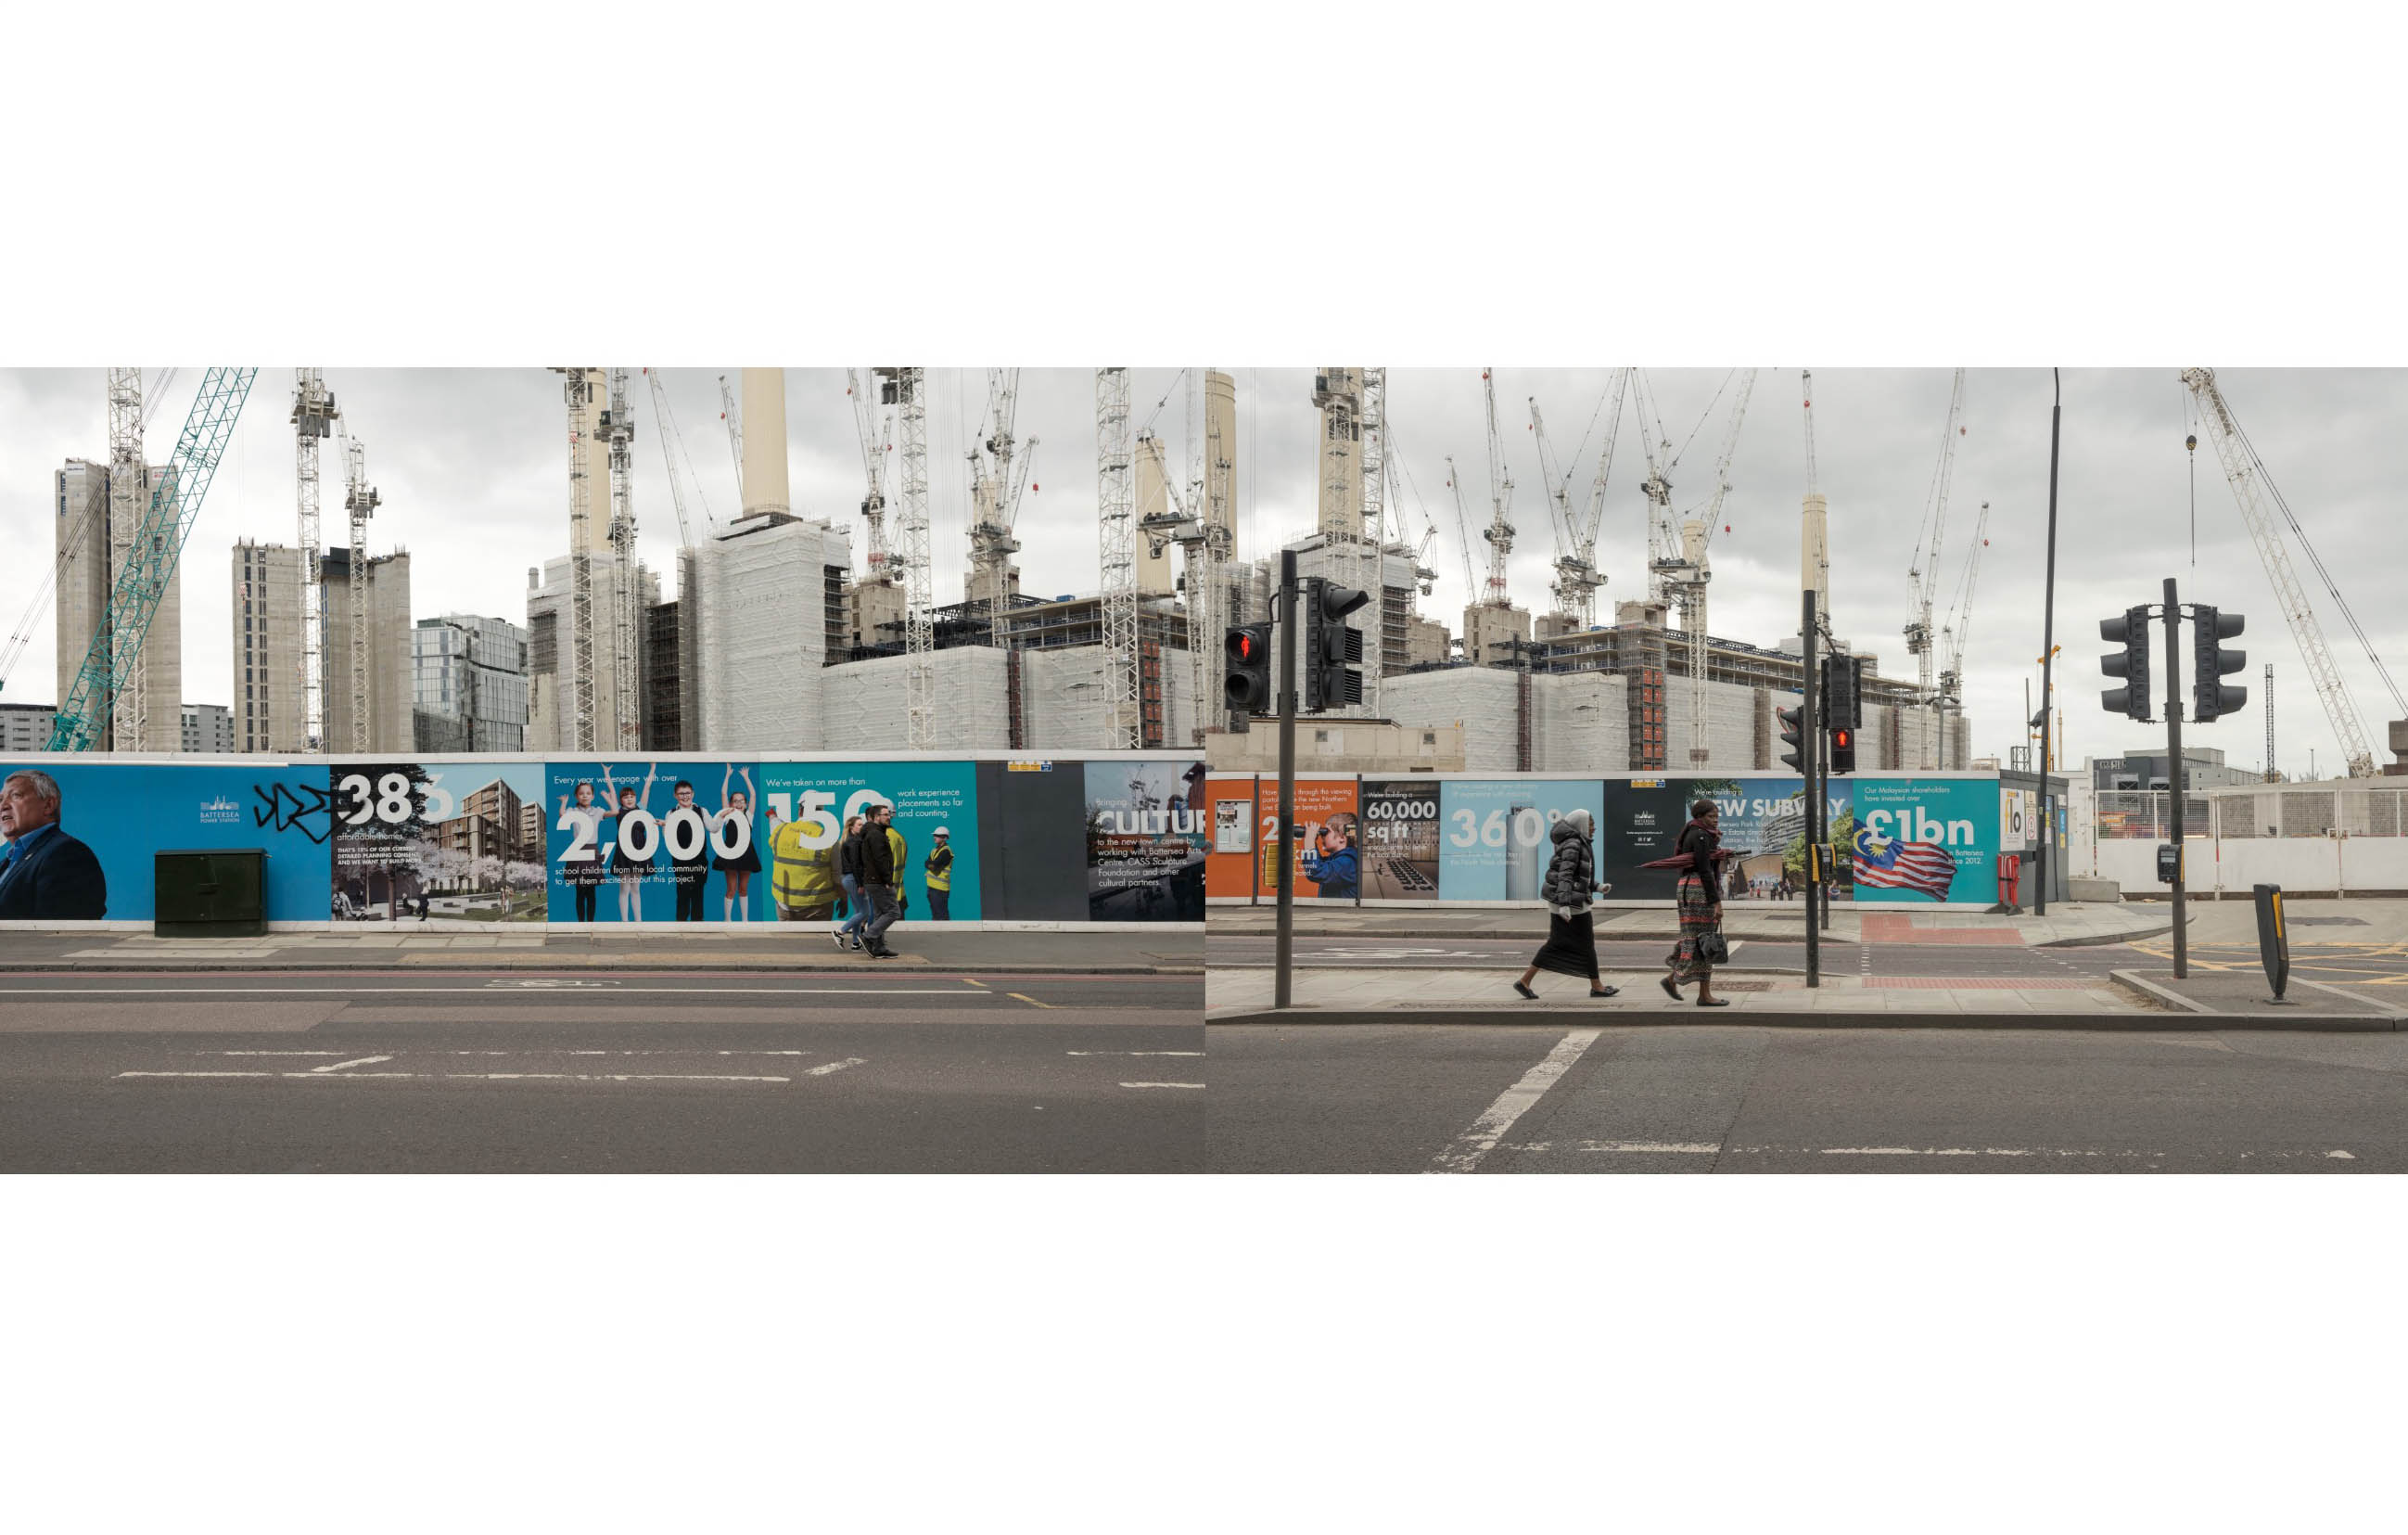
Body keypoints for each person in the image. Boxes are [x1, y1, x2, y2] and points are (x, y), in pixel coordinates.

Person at [1513, 809, 1617, 1001]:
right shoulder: (1574, 844)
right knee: (1584, 943)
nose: (1594, 828)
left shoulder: (1578, 843)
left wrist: (1598, 887)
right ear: (1581, 825)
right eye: (1591, 823)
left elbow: (1579, 876)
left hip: (1570, 902)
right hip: (1569, 904)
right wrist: (1564, 905)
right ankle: (1597, 986)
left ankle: (1525, 981)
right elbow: (1565, 875)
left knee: (1559, 943)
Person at [0, 769, 107, 920]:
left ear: (48, 805)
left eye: (16, 795)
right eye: (0, 799)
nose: (3, 805)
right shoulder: (7, 862)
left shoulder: (66, 853)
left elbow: (60, 932)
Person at [1663, 798, 1729, 1006]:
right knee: (1704, 940)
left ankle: (1674, 980)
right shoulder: (1701, 835)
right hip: (1698, 889)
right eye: (1711, 816)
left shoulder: (1694, 832)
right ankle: (1703, 994)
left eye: (1717, 816)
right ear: (1700, 817)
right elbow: (1705, 870)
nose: (1715, 820)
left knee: (1694, 939)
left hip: (1687, 886)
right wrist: (1716, 902)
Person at [603, 763, 658, 924]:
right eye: (626, 797)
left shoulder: (641, 807)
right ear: (621, 800)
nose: (629, 799)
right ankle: (625, 921)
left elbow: (647, 787)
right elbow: (612, 791)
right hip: (625, 851)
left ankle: (638, 921)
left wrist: (653, 769)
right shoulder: (618, 810)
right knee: (624, 888)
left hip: (640, 849)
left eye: (632, 796)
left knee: (636, 888)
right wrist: (607, 773)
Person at [768, 802, 839, 923]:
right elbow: (837, 875)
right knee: (818, 941)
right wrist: (844, 899)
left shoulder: (780, 831)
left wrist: (771, 815)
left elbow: (774, 823)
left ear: (800, 811)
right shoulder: (828, 837)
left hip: (785, 906)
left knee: (788, 942)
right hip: (817, 908)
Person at [858, 802, 903, 959]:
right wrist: (887, 880)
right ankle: (868, 936)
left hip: (872, 880)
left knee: (879, 914)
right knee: (893, 911)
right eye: (886, 814)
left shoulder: (873, 832)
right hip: (878, 880)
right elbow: (880, 860)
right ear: (877, 817)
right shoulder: (876, 835)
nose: (889, 817)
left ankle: (878, 947)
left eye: (889, 814)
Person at [714, 767, 759, 921]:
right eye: (735, 801)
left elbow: (753, 794)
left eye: (742, 801)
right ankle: (728, 920)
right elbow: (723, 794)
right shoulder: (728, 816)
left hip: (747, 854)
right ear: (731, 804)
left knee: (743, 889)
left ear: (745, 804)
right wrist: (727, 775)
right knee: (731, 889)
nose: (739, 803)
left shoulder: (749, 816)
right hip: (731, 855)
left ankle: (745, 921)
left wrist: (746, 777)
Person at [557, 780, 605, 923]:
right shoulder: (573, 811)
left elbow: (615, 812)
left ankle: (590, 923)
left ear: (593, 796)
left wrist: (608, 798)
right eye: (581, 793)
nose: (585, 796)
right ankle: (580, 923)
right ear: (576, 796)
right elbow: (562, 815)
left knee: (591, 891)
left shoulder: (598, 811)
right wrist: (564, 802)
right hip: (577, 851)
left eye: (588, 793)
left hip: (592, 850)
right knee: (579, 891)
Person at [831, 813, 871, 949]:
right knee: (865, 912)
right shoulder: (854, 842)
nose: (862, 826)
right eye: (859, 824)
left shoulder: (849, 840)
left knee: (858, 911)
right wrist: (860, 884)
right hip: (854, 879)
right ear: (852, 827)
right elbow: (855, 864)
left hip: (849, 879)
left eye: (862, 824)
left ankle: (855, 942)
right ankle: (839, 932)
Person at [1303, 812, 1359, 900]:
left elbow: (1316, 872)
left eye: (1326, 832)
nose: (1322, 836)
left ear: (1342, 838)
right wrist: (1311, 841)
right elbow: (1318, 864)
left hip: (1342, 913)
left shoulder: (1347, 862)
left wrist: (1309, 840)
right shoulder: (1340, 859)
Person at [924, 825, 955, 921]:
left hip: (940, 889)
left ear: (945, 838)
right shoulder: (934, 850)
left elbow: (934, 865)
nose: (934, 837)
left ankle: (944, 935)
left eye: (937, 835)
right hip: (932, 887)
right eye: (934, 835)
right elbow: (927, 863)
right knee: (936, 914)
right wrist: (930, 864)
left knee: (941, 915)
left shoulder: (946, 852)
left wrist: (930, 864)